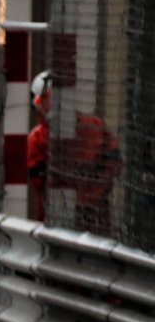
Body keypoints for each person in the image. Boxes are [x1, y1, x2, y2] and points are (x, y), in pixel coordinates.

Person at [26, 71, 124, 234]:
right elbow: (114, 166)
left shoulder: (38, 139)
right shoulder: (95, 126)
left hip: (56, 221)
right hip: (96, 219)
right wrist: (91, 194)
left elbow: (40, 183)